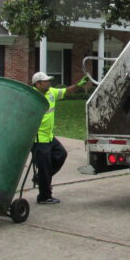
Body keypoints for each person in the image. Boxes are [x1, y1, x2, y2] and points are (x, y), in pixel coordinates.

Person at [31, 71, 90, 204]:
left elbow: (66, 91)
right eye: (46, 81)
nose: (49, 83)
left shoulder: (51, 92)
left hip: (49, 136)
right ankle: (44, 197)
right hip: (38, 139)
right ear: (38, 84)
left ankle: (40, 178)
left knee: (61, 154)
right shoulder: (32, 97)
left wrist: (79, 85)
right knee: (45, 168)